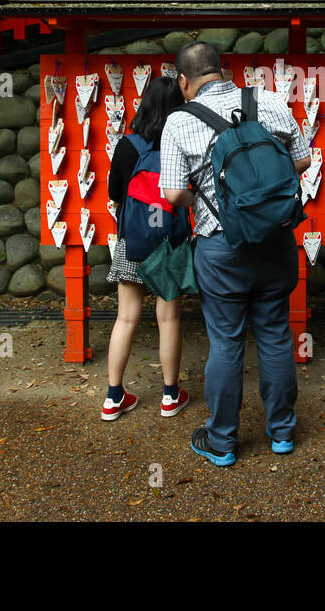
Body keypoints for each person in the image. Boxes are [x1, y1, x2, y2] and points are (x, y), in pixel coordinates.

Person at [159, 41, 312, 466]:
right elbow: (301, 162)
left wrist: (215, 199)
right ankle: (281, 433)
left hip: (221, 247)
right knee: (276, 334)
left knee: (226, 343)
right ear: (223, 70)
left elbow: (172, 192)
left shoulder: (179, 121)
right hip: (276, 241)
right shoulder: (269, 100)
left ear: (184, 81)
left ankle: (223, 441)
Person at [102, 75, 189, 421]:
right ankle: (170, 395)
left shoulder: (128, 145)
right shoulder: (179, 143)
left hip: (133, 241)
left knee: (126, 317)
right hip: (169, 243)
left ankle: (113, 397)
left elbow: (113, 193)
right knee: (169, 317)